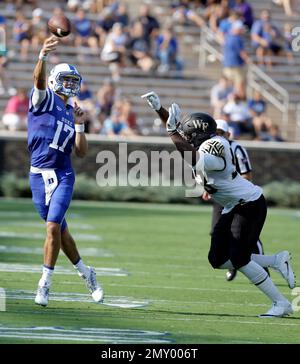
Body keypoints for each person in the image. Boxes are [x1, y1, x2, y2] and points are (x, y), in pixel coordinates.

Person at [142, 91, 296, 318]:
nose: (187, 137)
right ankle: (275, 260)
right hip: (232, 206)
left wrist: (172, 131)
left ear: (199, 135)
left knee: (240, 259)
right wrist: (159, 110)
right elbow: (180, 135)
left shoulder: (216, 145)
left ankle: (281, 303)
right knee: (218, 259)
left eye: (190, 135)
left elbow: (190, 153)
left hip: (249, 204)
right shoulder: (204, 141)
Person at [28, 35, 104, 307]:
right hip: (38, 176)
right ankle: (86, 273)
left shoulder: (73, 111)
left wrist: (81, 125)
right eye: (66, 80)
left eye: (74, 81)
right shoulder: (44, 99)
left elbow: (81, 152)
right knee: (61, 232)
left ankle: (44, 285)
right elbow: (38, 80)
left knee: (52, 228)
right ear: (53, 80)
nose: (71, 85)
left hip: (62, 175)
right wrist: (43, 56)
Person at [202, 119, 268, 281]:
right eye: (215, 132)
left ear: (228, 134)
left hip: (238, 198)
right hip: (221, 197)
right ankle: (233, 265)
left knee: (246, 237)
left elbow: (247, 174)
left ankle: (263, 265)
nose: (218, 136)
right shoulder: (208, 148)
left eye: (221, 133)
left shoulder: (237, 148)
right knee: (217, 232)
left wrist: (234, 189)